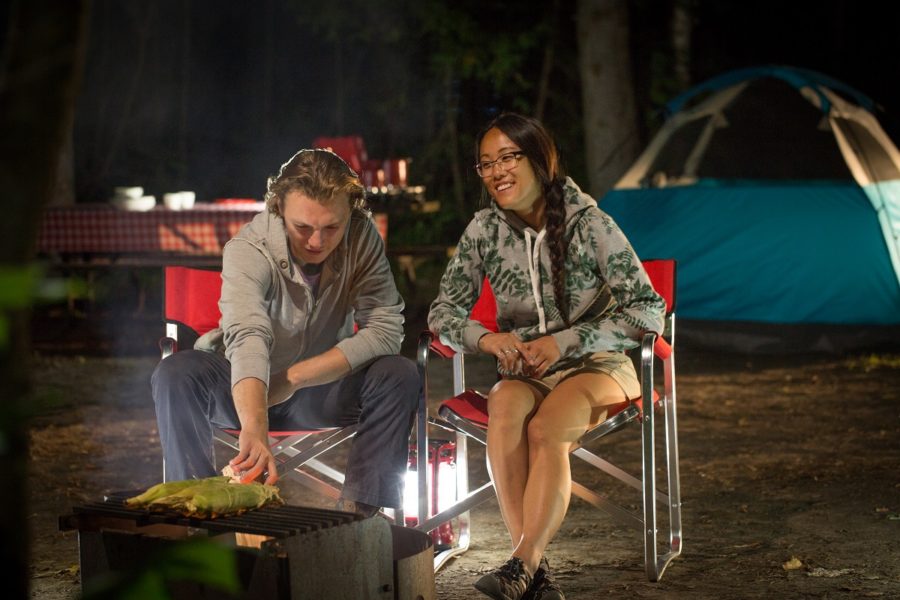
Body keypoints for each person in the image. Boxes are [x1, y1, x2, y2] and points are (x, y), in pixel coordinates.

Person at [428, 113, 666, 600]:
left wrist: (564, 342)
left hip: (599, 365)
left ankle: (523, 564)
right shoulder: (484, 231)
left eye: (508, 157)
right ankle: (530, 569)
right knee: (505, 406)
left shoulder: (591, 223)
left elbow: (648, 311)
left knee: (544, 429)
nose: (497, 171)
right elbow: (443, 312)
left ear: (540, 160)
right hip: (526, 370)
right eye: (486, 163)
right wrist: (489, 340)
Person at [152, 148, 419, 517]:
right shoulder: (249, 248)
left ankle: (358, 517)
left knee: (399, 373)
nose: (316, 242)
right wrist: (255, 424)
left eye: (332, 227)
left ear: (351, 212)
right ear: (278, 208)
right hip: (242, 391)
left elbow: (386, 328)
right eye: (303, 228)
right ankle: (197, 510)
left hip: (319, 390)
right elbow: (248, 335)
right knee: (175, 372)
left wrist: (293, 378)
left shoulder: (361, 237)